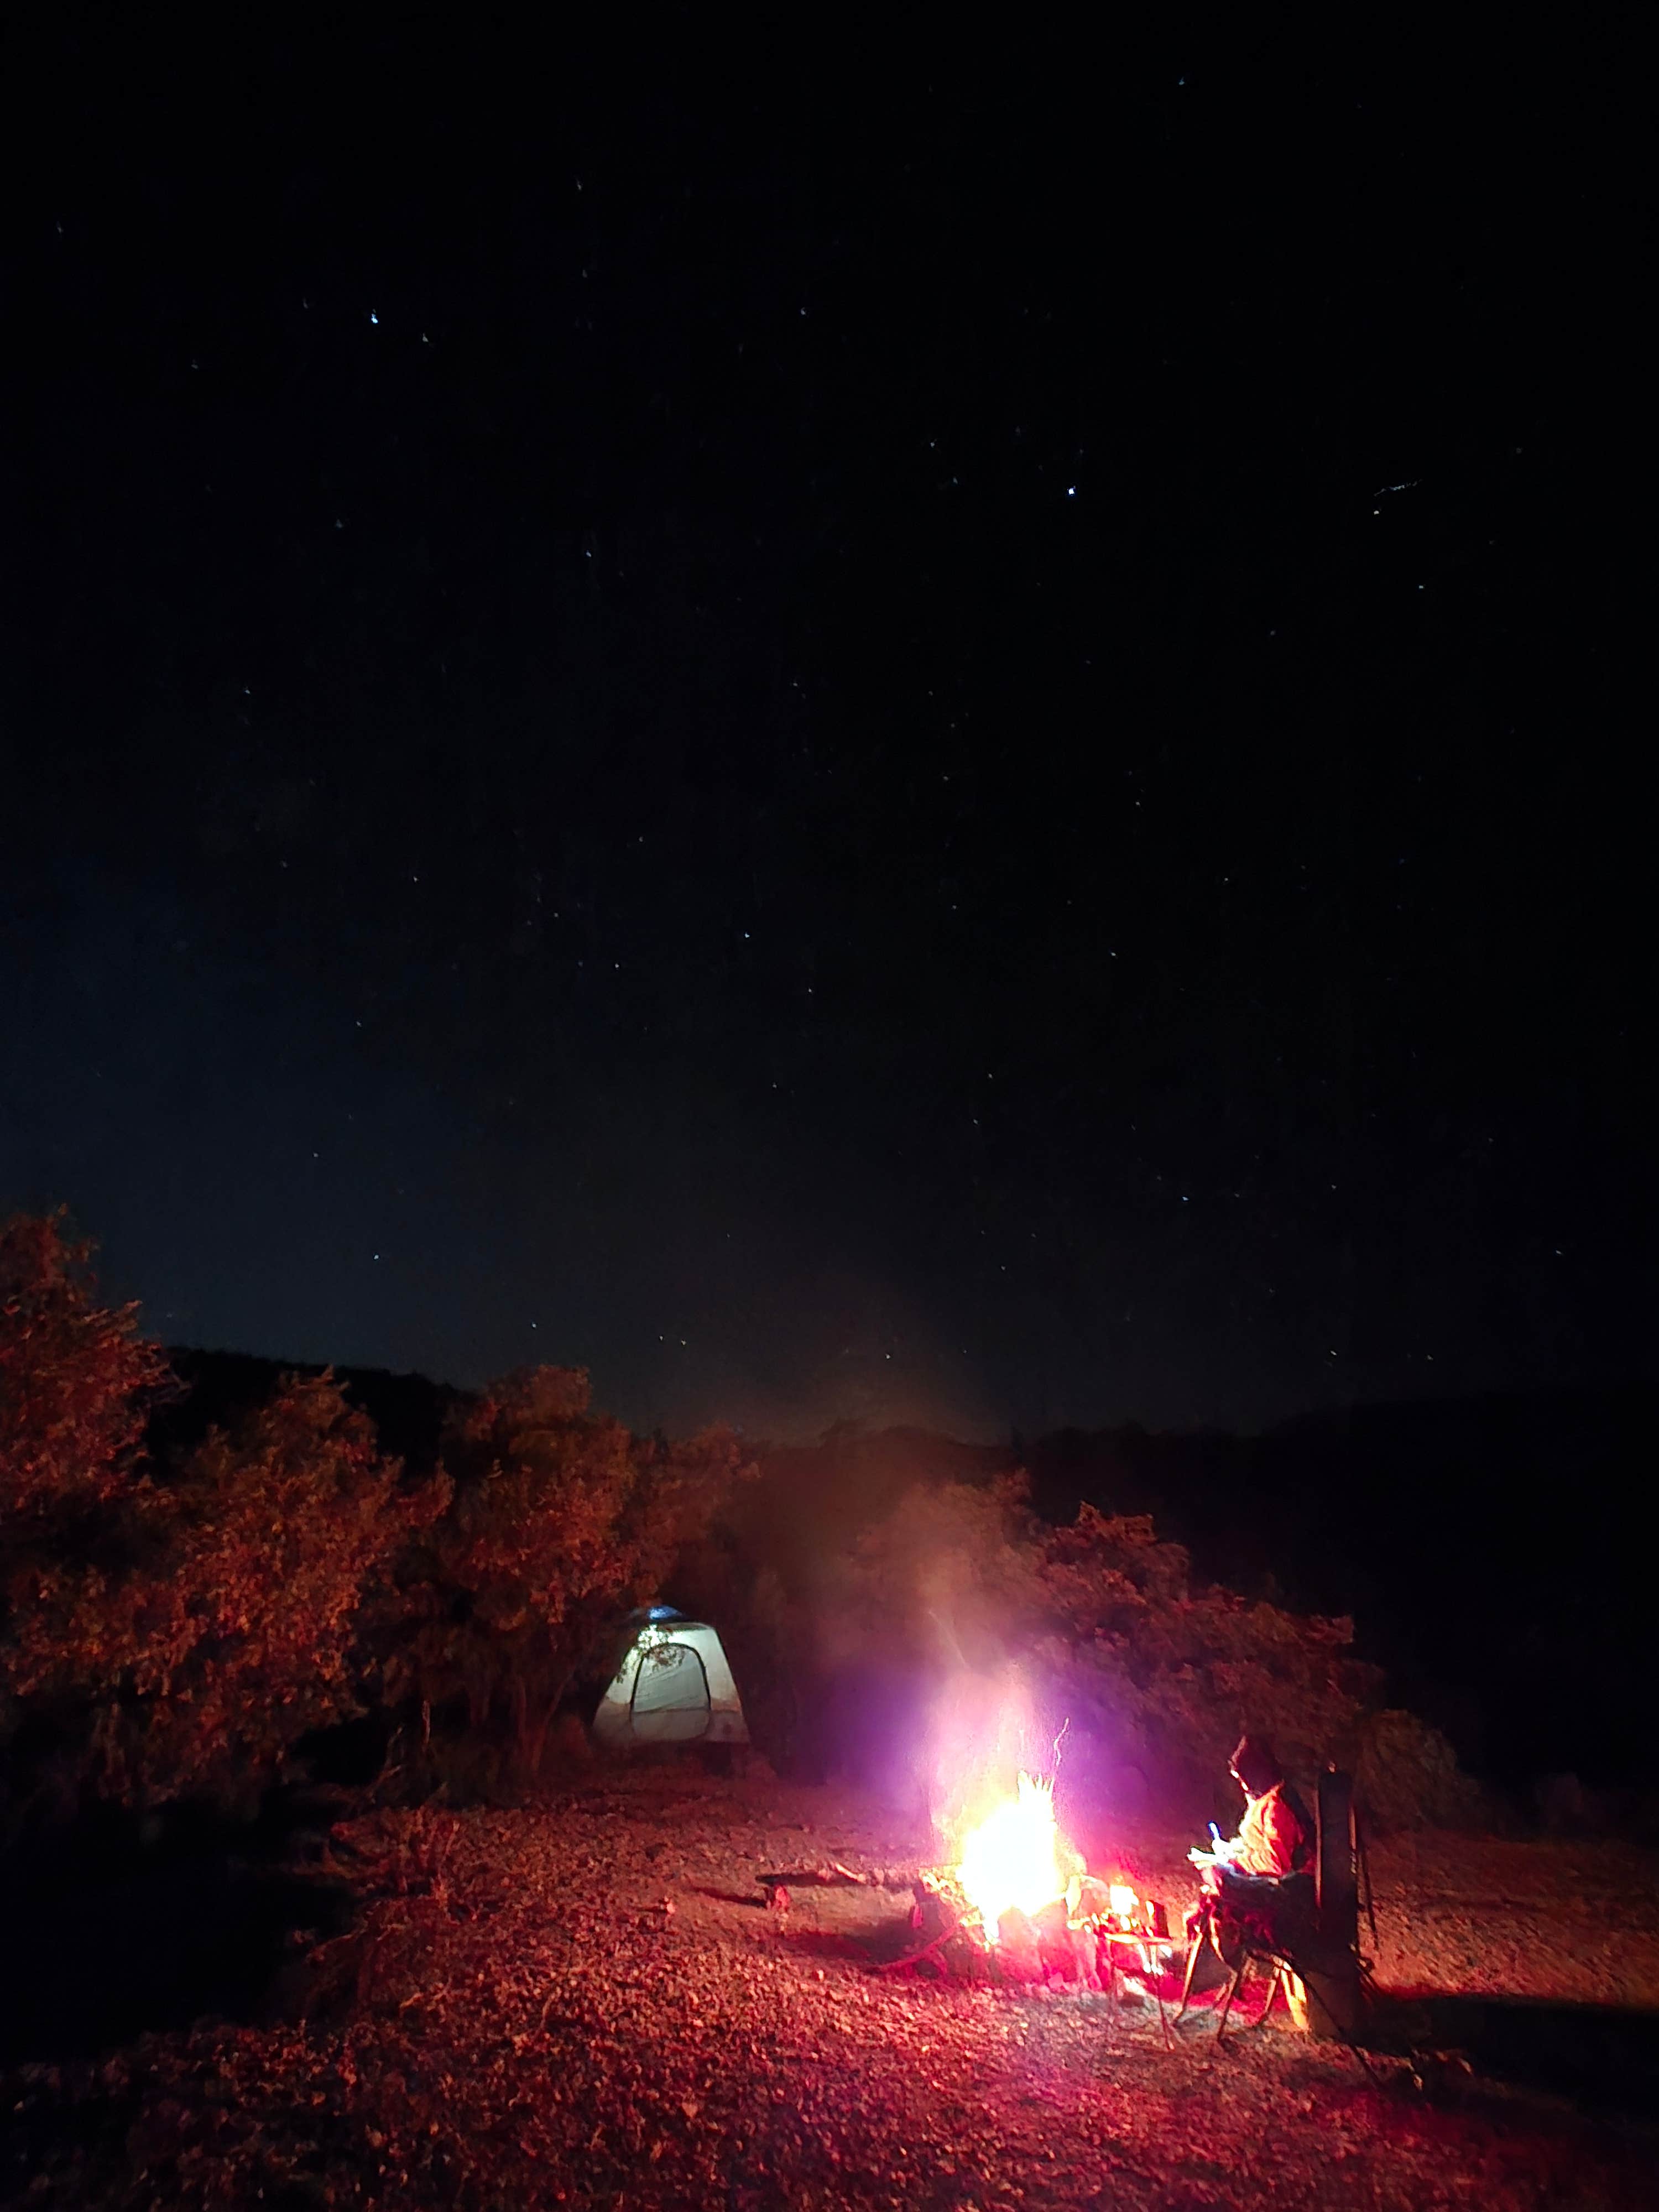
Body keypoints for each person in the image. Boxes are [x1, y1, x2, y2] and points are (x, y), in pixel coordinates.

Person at [1184, 1736, 1314, 1965]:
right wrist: (1228, 1850)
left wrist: (1235, 1863)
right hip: (1273, 1879)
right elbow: (1255, 1843)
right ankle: (1205, 1958)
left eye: (1243, 1778)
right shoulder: (1264, 1801)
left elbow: (1276, 1862)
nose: (1243, 1785)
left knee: (1219, 1879)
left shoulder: (1277, 1806)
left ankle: (1213, 1965)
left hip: (1289, 1886)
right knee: (1214, 1877)